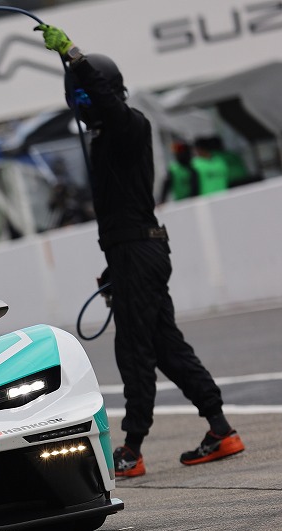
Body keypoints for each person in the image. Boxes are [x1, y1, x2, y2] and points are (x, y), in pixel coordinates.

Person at [36, 24, 245, 478]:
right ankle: (221, 429)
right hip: (131, 254)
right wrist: (114, 266)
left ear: (107, 93)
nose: (84, 105)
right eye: (77, 98)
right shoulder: (104, 141)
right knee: (165, 347)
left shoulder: (131, 125)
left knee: (133, 349)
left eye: (87, 96)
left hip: (139, 252)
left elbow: (107, 103)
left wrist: (74, 57)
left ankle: (131, 449)